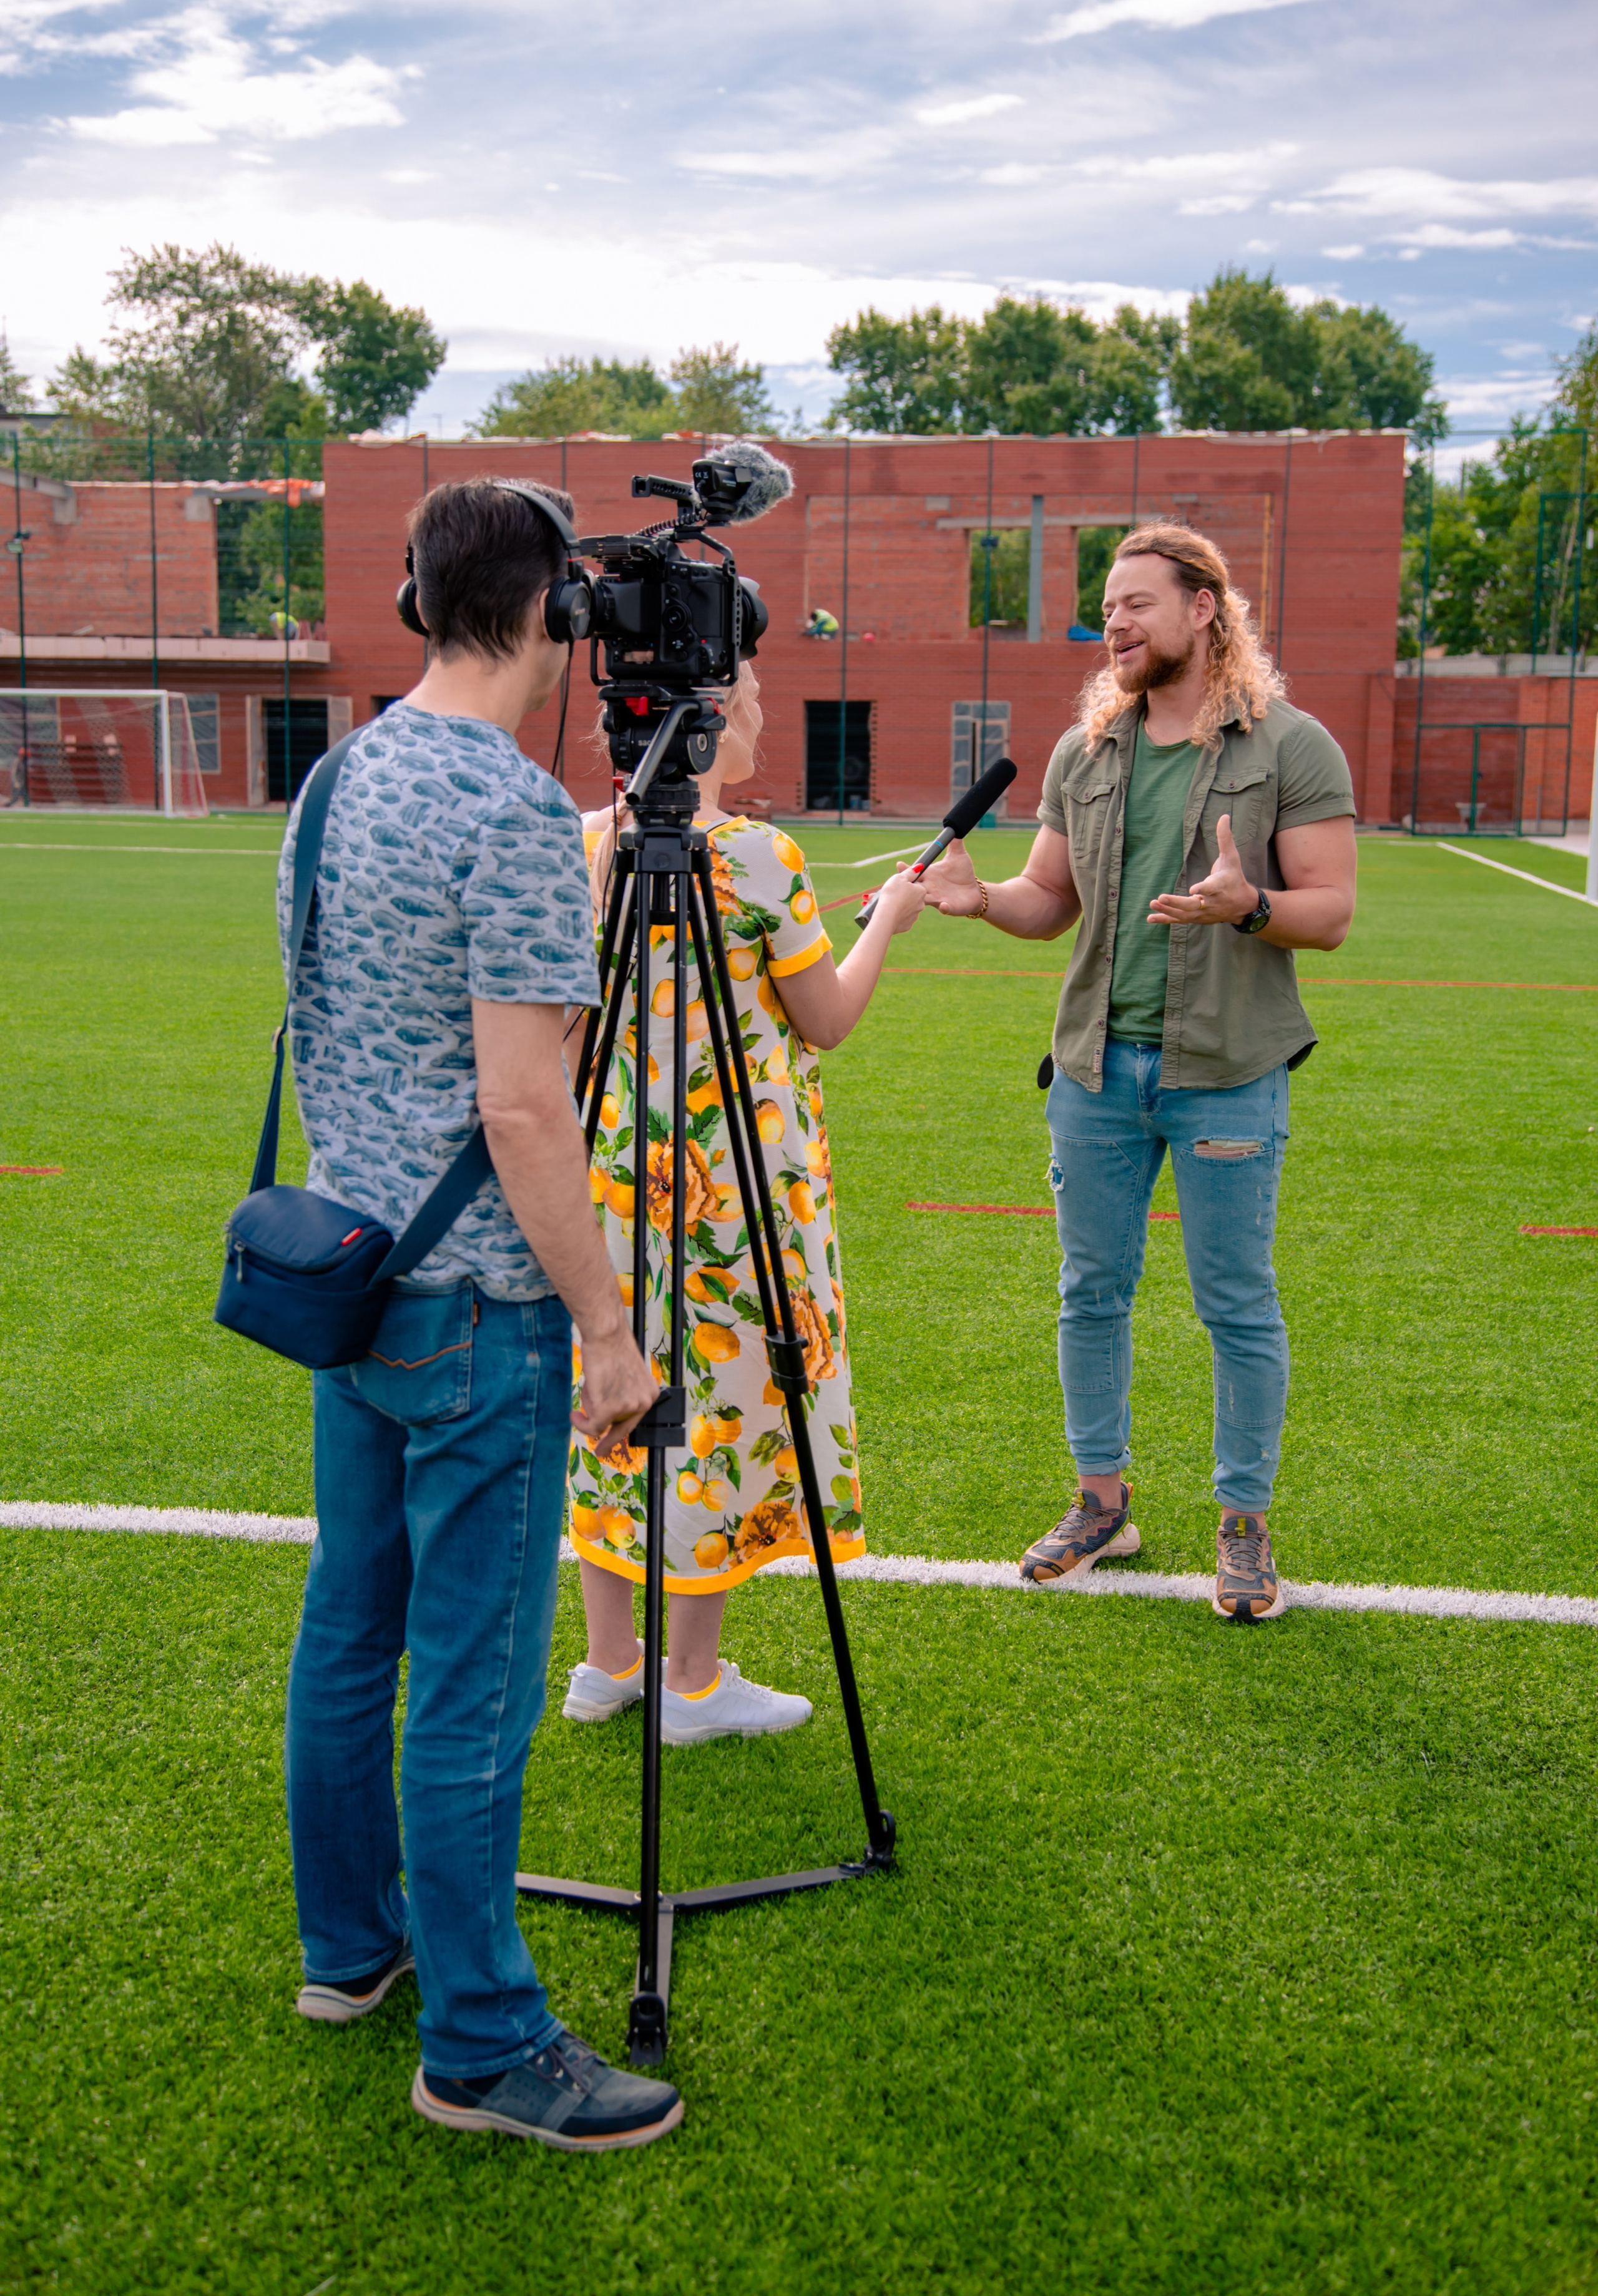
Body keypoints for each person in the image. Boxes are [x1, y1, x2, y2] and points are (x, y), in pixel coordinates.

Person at [278, 476, 684, 2150]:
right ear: (555, 614)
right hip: (479, 1310)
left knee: (347, 1630)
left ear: (415, 595)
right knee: (462, 1679)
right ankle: (484, 2046)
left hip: (347, 1277)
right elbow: (529, 1112)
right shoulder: (515, 814)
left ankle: (350, 1951)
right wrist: (609, 1326)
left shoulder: (333, 778)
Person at [920, 522, 1358, 1623]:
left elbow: (1332, 912)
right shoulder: (1087, 753)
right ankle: (1100, 1503)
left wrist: (1244, 904)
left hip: (1227, 1070)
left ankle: (1245, 1527)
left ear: (1204, 609)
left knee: (1236, 1303)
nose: (1112, 622)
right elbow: (1046, 900)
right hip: (1094, 1072)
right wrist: (983, 904)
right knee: (1090, 1291)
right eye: (1106, 607)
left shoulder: (1291, 747)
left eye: (1135, 603)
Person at [564, 659, 927, 1734]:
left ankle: (605, 1662)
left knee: (611, 1400)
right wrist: (890, 921)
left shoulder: (581, 843)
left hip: (609, 1176)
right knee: (720, 1409)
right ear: (709, 727)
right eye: (754, 702)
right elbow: (825, 1018)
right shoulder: (760, 857)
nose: (764, 717)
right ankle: (694, 1682)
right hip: (734, 1188)